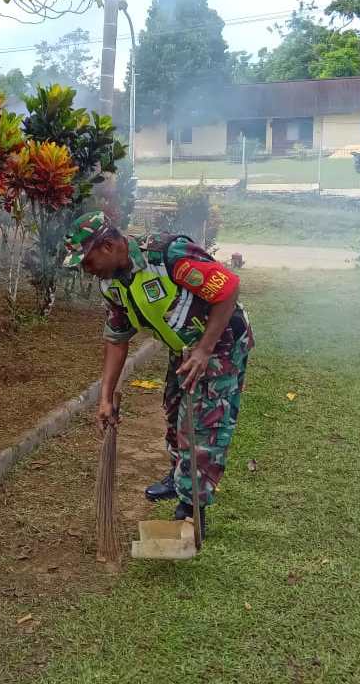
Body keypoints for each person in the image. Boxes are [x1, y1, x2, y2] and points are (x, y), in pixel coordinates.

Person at [64, 211, 253, 535]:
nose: (86, 270)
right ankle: (180, 476)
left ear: (108, 246)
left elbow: (228, 288)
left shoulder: (169, 255)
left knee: (203, 423)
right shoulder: (112, 283)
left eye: (87, 261)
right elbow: (117, 338)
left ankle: (192, 506)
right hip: (184, 347)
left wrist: (204, 350)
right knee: (175, 409)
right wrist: (105, 398)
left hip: (219, 343)